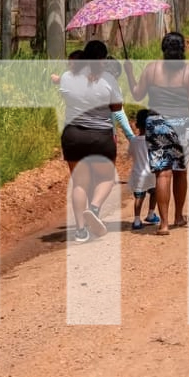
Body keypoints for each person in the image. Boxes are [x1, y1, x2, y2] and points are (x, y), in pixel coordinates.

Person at [124, 31, 189, 229]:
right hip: (181, 124)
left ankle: (163, 224)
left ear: (163, 49)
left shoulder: (151, 70)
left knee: (162, 174)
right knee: (180, 172)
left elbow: (137, 95)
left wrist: (129, 73)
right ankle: (178, 217)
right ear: (183, 50)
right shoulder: (188, 72)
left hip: (156, 124)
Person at [53, 39, 124, 242]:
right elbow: (117, 108)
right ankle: (93, 208)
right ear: (102, 59)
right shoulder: (109, 80)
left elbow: (66, 96)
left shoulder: (67, 77)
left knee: (79, 183)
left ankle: (80, 231)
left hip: (73, 135)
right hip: (99, 136)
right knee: (107, 178)